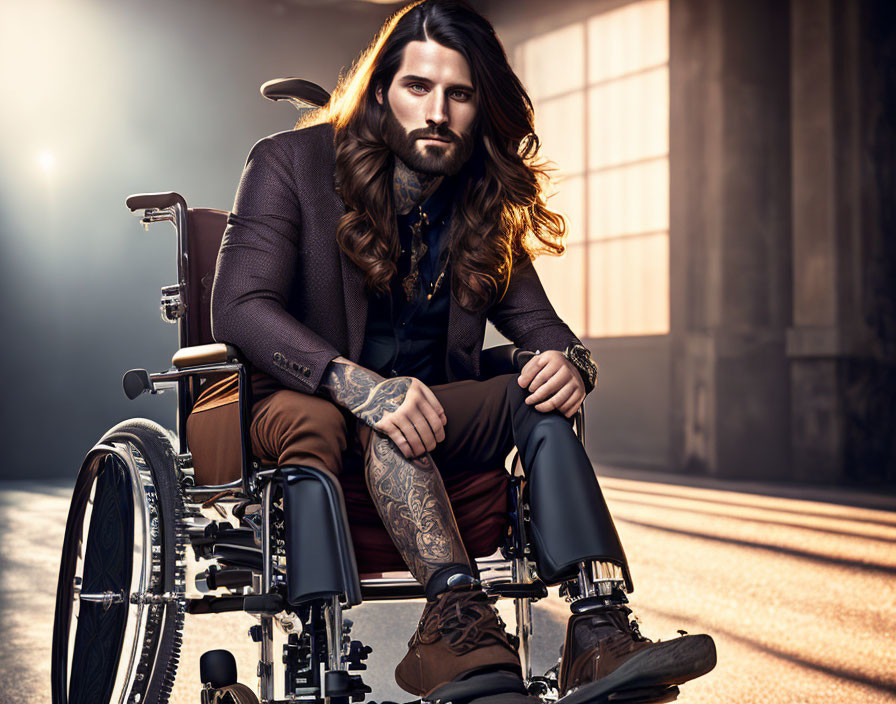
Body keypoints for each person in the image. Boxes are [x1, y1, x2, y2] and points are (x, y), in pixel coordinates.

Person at [187, 1, 716, 701]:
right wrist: (356, 385)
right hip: (298, 406)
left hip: (425, 413)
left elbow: (544, 329)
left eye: (459, 94)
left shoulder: (479, 199)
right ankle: (457, 619)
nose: (438, 111)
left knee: (532, 389)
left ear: (478, 106)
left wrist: (571, 365)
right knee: (392, 409)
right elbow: (241, 307)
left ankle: (597, 625)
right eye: (419, 88)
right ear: (381, 94)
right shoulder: (288, 163)